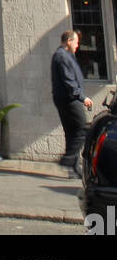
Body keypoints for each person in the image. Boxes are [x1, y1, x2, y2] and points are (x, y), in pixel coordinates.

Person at [51, 29, 92, 174]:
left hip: (65, 98)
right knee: (83, 129)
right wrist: (82, 97)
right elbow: (69, 81)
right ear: (69, 41)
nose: (77, 45)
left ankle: (74, 167)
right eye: (76, 42)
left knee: (71, 132)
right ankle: (68, 159)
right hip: (69, 100)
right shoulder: (62, 56)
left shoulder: (65, 55)